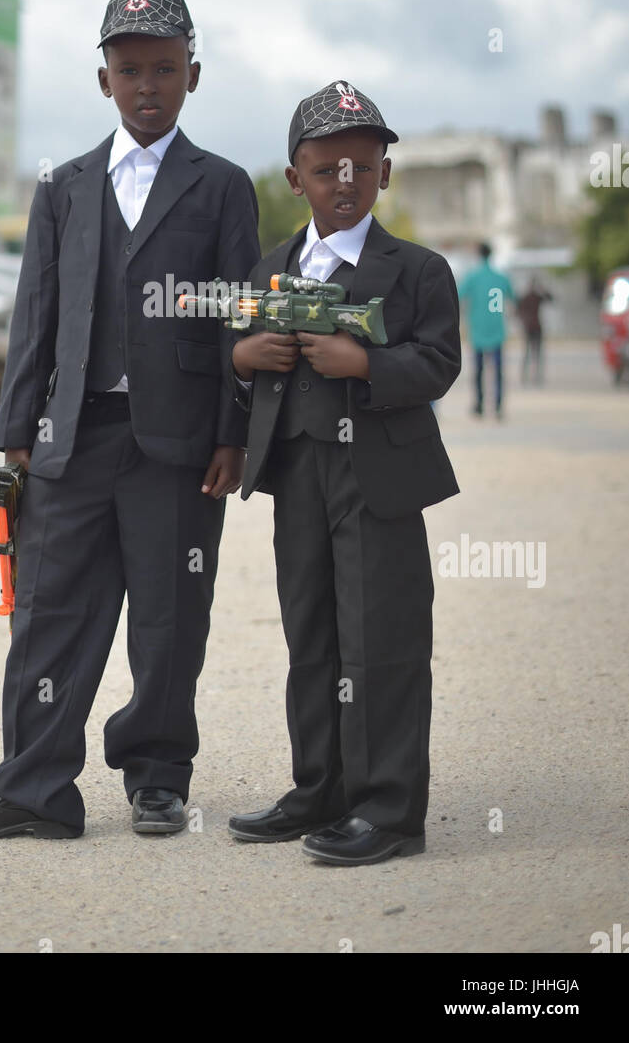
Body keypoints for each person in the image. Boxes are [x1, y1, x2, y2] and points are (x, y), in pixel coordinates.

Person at [0, 0, 260, 841]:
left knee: (168, 616)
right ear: (103, 81)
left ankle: (156, 777)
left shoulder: (223, 186)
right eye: (129, 70)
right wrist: (15, 437)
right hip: (69, 440)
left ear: (193, 74)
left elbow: (239, 316)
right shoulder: (65, 186)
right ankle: (34, 788)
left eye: (164, 68)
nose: (146, 85)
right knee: (51, 613)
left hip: (179, 448)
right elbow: (33, 315)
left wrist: (232, 435)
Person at [225, 80, 461, 866]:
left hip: (379, 480)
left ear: (384, 172)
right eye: (326, 171)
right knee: (313, 634)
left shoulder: (418, 269)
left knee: (382, 638)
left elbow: (437, 363)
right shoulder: (268, 269)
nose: (345, 184)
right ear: (295, 180)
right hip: (296, 475)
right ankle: (317, 788)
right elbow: (247, 376)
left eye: (362, 167)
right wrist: (242, 356)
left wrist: (365, 361)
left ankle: (389, 810)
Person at [458, 243, 515, 418]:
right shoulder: (501, 277)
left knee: (479, 370)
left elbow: (458, 296)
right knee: (497, 370)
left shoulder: (472, 277)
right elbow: (513, 298)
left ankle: (479, 404)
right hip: (497, 329)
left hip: (477, 329)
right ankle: (498, 405)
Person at [516, 277, 553, 385]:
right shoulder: (526, 297)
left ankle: (535, 376)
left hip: (535, 327)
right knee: (529, 353)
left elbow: (550, 299)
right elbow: (518, 311)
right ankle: (527, 376)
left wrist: (544, 289)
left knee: (535, 353)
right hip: (530, 327)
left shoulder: (536, 297)